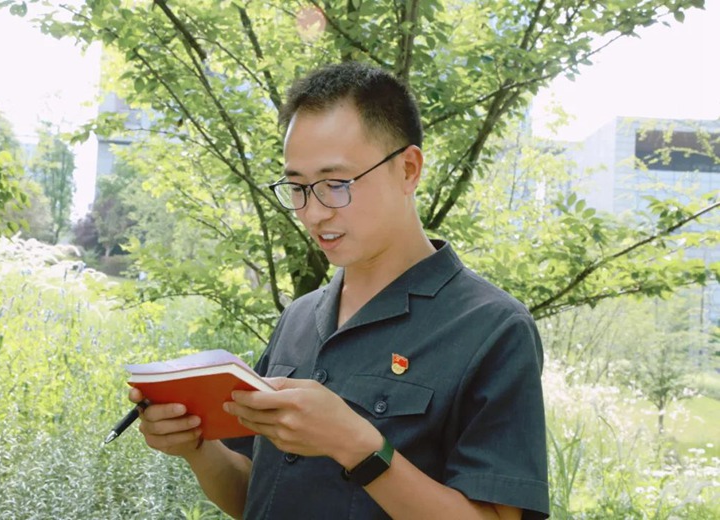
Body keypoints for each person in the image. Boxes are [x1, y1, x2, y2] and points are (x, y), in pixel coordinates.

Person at [130, 61, 550, 520]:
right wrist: (196, 447)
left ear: (408, 169)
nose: (314, 213)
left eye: (335, 184)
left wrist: (357, 446)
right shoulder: (300, 317)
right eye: (297, 187)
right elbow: (255, 495)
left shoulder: (493, 327)